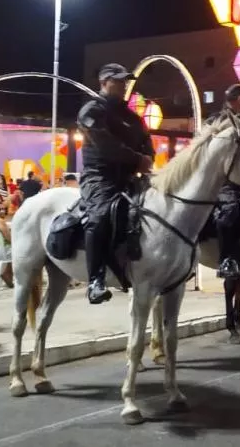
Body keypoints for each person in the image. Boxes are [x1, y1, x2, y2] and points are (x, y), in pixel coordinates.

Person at [78, 63, 154, 304]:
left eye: (125, 81)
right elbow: (104, 143)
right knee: (100, 217)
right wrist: (137, 158)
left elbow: (146, 142)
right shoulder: (92, 110)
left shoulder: (133, 117)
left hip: (130, 178)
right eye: (118, 81)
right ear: (103, 83)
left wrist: (147, 157)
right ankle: (95, 280)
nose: (123, 86)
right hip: (100, 176)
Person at [205, 83, 240, 279]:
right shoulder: (216, 120)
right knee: (229, 213)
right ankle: (226, 258)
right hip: (223, 180)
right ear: (239, 99)